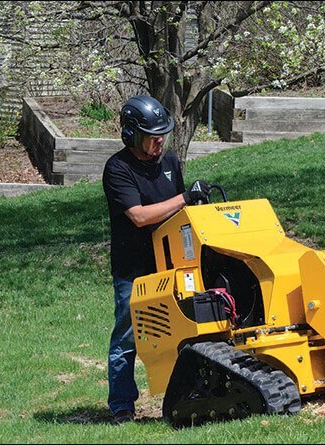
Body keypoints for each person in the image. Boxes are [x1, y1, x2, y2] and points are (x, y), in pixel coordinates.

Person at [102, 95, 210, 424]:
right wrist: (183, 197)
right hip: (133, 269)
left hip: (172, 263)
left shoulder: (170, 163)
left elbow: (181, 212)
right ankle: (122, 406)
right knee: (127, 337)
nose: (159, 141)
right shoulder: (117, 169)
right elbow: (138, 216)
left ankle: (189, 394)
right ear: (133, 135)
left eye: (163, 134)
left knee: (187, 328)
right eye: (152, 135)